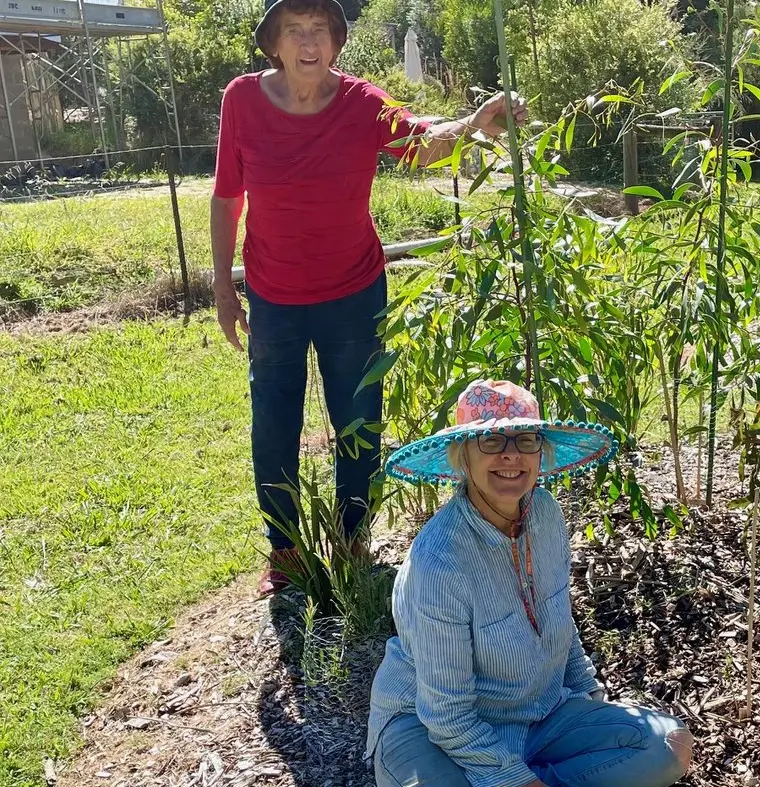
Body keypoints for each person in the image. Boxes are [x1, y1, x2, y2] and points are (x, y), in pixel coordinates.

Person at [209, 0, 527, 597]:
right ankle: (285, 549)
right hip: (274, 294)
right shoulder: (242, 100)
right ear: (273, 44)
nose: (309, 43)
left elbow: (422, 143)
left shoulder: (361, 102)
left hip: (353, 293)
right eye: (294, 31)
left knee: (358, 419)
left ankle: (353, 539)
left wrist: (473, 122)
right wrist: (225, 287)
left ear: (336, 42)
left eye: (320, 30)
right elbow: (227, 196)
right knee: (273, 421)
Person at [367, 379, 695, 787]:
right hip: (429, 728)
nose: (511, 454)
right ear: (462, 456)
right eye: (490, 440)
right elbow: (446, 715)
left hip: (536, 715)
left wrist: (589, 699)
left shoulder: (545, 513)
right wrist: (517, 780)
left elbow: (560, 618)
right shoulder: (439, 562)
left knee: (668, 744)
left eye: (526, 439)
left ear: (541, 452)